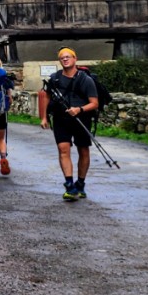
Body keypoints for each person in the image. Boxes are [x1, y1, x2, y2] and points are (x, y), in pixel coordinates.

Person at [38, 47, 99, 201]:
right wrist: (44, 117)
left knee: (83, 150)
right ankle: (69, 185)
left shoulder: (86, 79)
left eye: (68, 57)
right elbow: (46, 96)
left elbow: (94, 103)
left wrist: (79, 109)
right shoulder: (55, 79)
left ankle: (81, 183)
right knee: (63, 149)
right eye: (62, 58)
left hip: (81, 119)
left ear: (75, 59)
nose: (65, 59)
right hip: (60, 119)